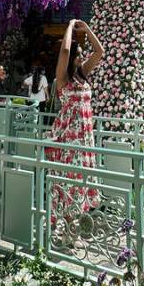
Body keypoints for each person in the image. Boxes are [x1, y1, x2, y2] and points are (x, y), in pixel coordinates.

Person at [45, 19, 104, 222]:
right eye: (78, 56)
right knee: (71, 179)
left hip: (85, 136)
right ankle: (70, 232)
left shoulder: (82, 74)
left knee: (81, 180)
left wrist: (87, 30)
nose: (80, 58)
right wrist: (69, 26)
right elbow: (64, 52)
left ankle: (73, 230)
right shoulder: (63, 77)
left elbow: (99, 52)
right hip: (69, 136)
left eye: (80, 56)